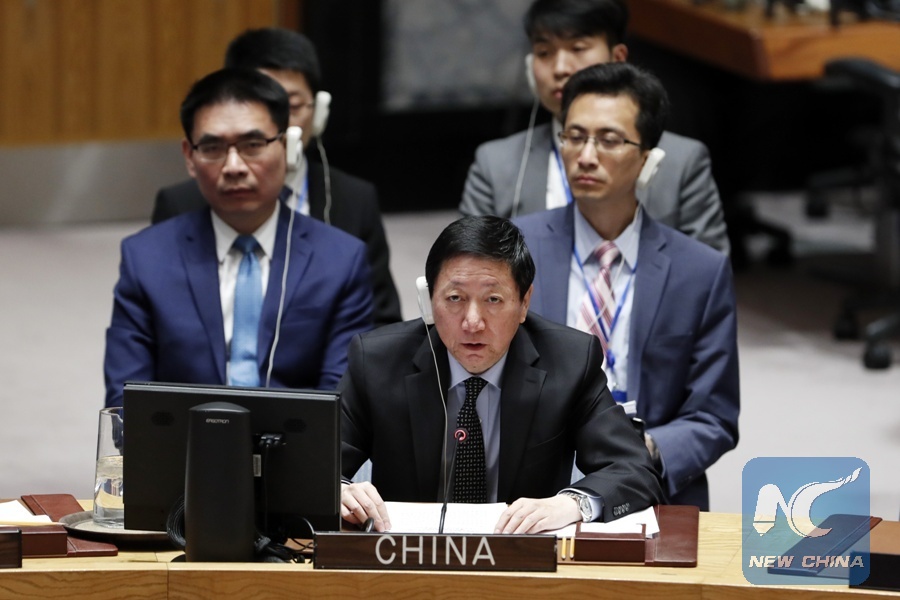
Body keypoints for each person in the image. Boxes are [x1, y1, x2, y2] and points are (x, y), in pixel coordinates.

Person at [339, 215, 663, 534]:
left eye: (493, 299)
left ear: (524, 303)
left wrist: (571, 504)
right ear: (429, 301)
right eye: (455, 298)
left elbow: (633, 469)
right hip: (404, 557)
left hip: (521, 557)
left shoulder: (570, 361)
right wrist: (336, 489)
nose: (473, 322)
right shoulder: (378, 361)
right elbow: (318, 464)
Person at [515, 62, 739, 510]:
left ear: (648, 157)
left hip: (649, 485)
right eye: (575, 136)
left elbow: (713, 416)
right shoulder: (516, 249)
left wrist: (638, 452)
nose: (586, 155)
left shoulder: (700, 271)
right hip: (531, 486)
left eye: (609, 140)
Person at [103, 68, 373, 408]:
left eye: (253, 145)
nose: (234, 166)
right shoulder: (145, 257)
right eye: (212, 147)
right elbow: (127, 399)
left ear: (287, 147)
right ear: (189, 156)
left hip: (299, 438)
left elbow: (342, 399)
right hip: (185, 438)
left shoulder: (341, 259)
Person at [153, 28, 402, 327]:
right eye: (263, 106)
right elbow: (158, 321)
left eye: (292, 107)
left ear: (319, 112)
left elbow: (382, 325)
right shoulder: (179, 204)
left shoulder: (354, 199)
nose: (281, 124)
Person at [461, 0, 730, 256]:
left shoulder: (682, 161)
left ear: (617, 57)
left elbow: (707, 277)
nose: (560, 68)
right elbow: (467, 270)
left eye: (578, 48)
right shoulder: (495, 165)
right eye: (544, 53)